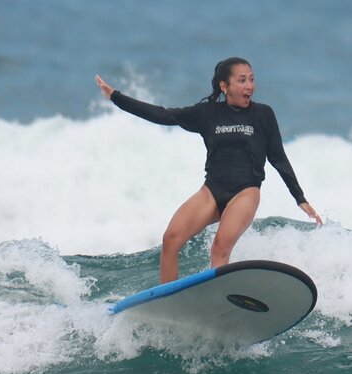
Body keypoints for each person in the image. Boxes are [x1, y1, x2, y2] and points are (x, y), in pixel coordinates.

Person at [95, 57, 323, 283]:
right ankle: (168, 302)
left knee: (220, 247)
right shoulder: (208, 113)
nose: (249, 86)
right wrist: (116, 97)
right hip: (212, 190)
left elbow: (278, 157)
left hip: (246, 191)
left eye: (251, 80)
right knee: (171, 239)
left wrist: (299, 197)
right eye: (242, 80)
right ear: (225, 86)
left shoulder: (263, 115)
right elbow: (163, 115)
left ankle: (217, 303)